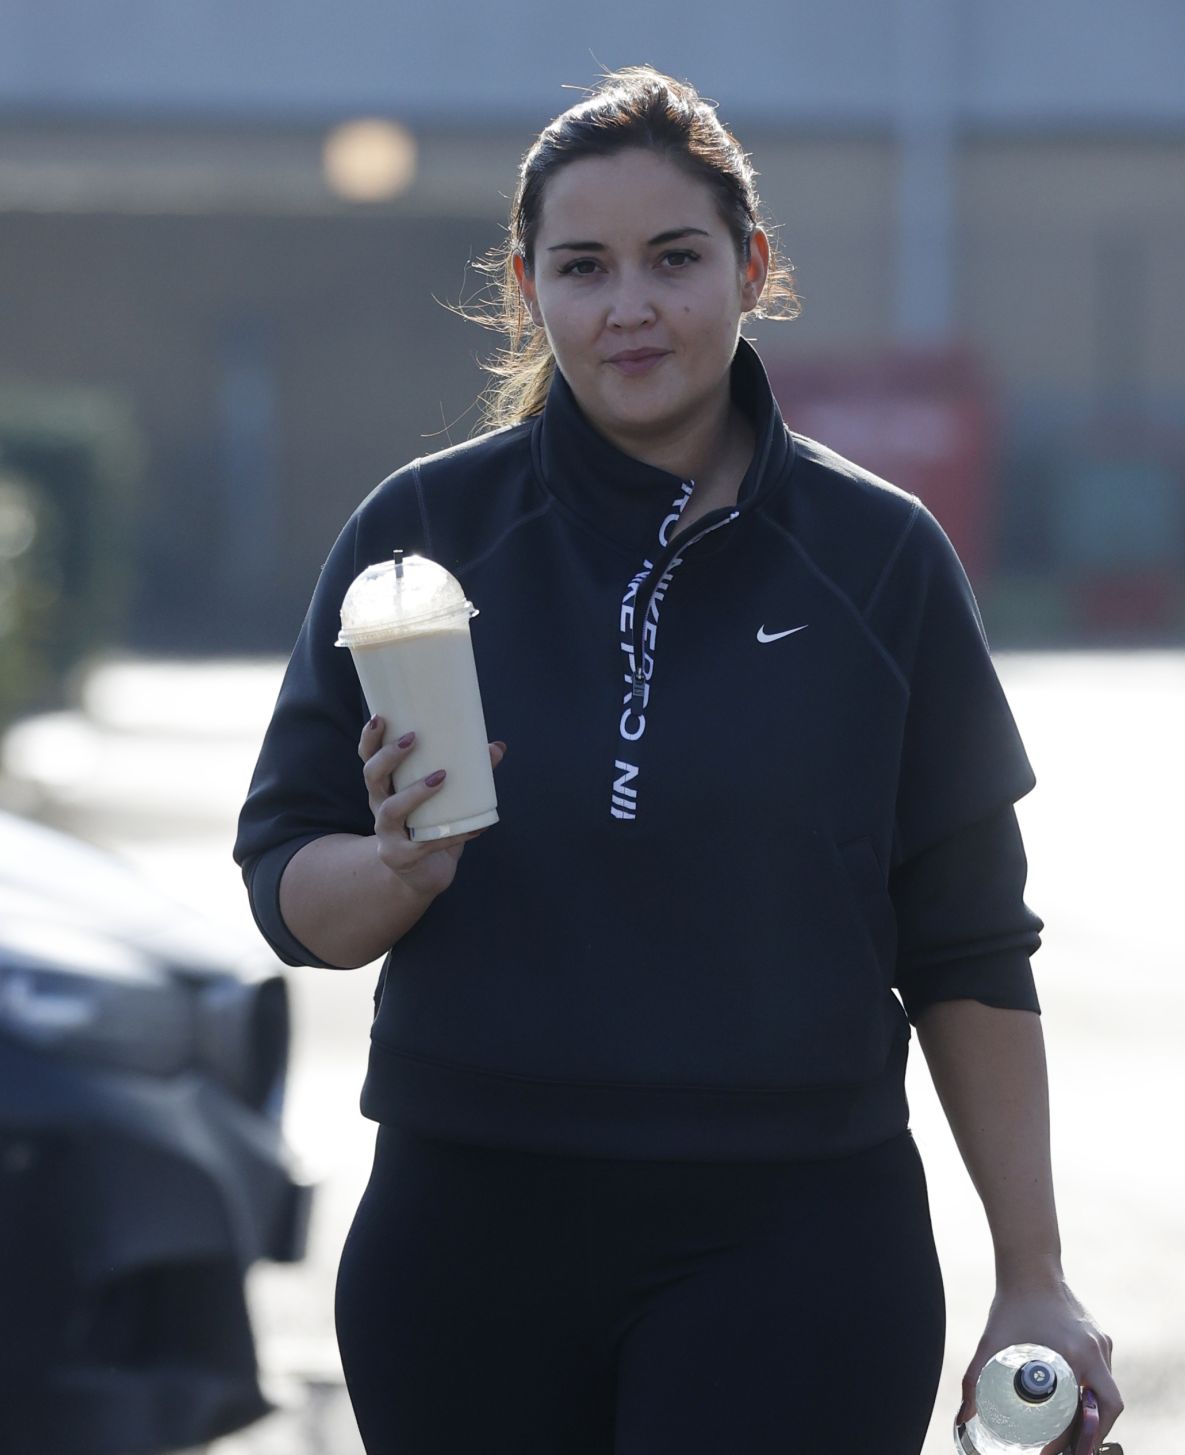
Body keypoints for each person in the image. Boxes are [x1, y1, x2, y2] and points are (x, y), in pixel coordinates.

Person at [234, 66, 1122, 1455]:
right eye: (583, 267)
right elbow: (288, 886)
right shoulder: (420, 537)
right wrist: (401, 869)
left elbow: (969, 945)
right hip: (466, 1247)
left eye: (674, 259)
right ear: (529, 288)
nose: (629, 306)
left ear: (752, 268)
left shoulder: (879, 560)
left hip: (799, 1246)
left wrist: (1036, 1277)